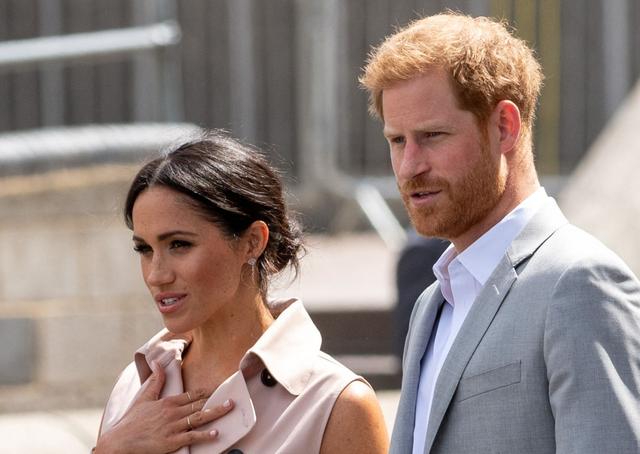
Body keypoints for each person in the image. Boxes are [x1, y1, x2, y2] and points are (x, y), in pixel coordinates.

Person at [360, 12, 640, 454]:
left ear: (504, 127)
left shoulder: (581, 283)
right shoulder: (431, 305)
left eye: (432, 136)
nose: (410, 166)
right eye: (397, 141)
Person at [93, 130, 389, 453]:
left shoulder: (336, 403)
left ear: (252, 242)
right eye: (145, 249)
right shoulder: (133, 388)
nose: (156, 274)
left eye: (179, 245)